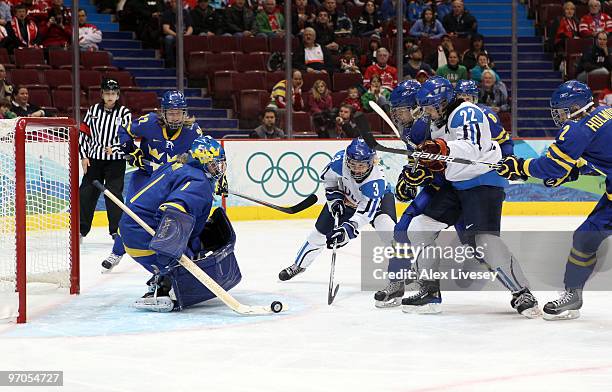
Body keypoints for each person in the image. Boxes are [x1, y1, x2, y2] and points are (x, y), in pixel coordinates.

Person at [400, 76, 539, 317]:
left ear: (444, 103)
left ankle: (522, 292)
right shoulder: (436, 121)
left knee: (484, 242)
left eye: (431, 107)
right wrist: (426, 164)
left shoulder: (466, 111)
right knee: (419, 227)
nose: (428, 112)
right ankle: (429, 292)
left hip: (482, 180)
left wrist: (440, 149)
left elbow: (471, 148)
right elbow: (449, 163)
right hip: (458, 184)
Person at [497, 80, 611, 320]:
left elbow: (550, 167)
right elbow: (603, 156)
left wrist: (520, 166)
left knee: (586, 236)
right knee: (585, 235)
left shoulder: (578, 129)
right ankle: (573, 294)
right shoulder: (605, 112)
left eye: (560, 111)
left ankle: (573, 293)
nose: (558, 117)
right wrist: (574, 170)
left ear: (574, 107)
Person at [119, 136, 239, 312]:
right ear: (202, 161)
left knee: (198, 237)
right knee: (186, 262)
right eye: (214, 164)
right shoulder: (198, 182)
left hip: (133, 230)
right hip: (143, 237)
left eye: (219, 164)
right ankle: (164, 286)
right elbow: (171, 213)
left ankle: (164, 275)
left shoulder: (180, 166)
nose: (218, 168)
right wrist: (172, 261)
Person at [101, 90, 203, 272]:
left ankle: (176, 261)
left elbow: (201, 153)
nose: (175, 117)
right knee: (130, 213)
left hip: (170, 183)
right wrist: (131, 150)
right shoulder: (149, 122)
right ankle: (117, 251)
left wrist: (191, 159)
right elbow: (124, 130)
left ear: (184, 112)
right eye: (171, 113)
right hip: (145, 177)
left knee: (172, 218)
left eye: (178, 112)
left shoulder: (193, 131)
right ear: (163, 113)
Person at [278, 138, 396, 281]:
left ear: (371, 162)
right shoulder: (339, 162)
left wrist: (347, 230)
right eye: (353, 164)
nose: (356, 169)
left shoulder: (376, 181)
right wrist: (335, 199)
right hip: (347, 198)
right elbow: (329, 181)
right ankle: (299, 265)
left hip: (377, 204)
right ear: (347, 159)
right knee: (318, 235)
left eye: (362, 165)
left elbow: (365, 213)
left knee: (390, 231)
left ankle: (404, 269)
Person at [79, 79, 132, 245]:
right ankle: (81, 230)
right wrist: (84, 156)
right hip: (94, 160)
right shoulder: (93, 111)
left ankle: (116, 232)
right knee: (86, 193)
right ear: (102, 94)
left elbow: (128, 138)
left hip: (115, 162)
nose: (110, 96)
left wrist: (116, 148)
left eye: (113, 93)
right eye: (107, 93)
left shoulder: (124, 113)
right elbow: (84, 133)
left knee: (114, 195)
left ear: (118, 95)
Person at [162, 0, 193, 68]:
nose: (176, 4)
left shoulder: (185, 12)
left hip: (184, 35)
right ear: (171, 3)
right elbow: (165, 29)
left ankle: (190, 66)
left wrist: (187, 35)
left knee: (194, 40)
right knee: (168, 39)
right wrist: (177, 35)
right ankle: (170, 63)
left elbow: (190, 27)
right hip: (173, 35)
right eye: (174, 2)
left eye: (178, 2)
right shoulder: (167, 13)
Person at [553, 2, 580, 70]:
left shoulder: (576, 21)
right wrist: (571, 38)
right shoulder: (560, 20)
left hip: (575, 43)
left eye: (571, 9)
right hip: (562, 43)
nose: (569, 11)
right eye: (567, 9)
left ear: (574, 11)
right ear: (564, 11)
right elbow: (560, 34)